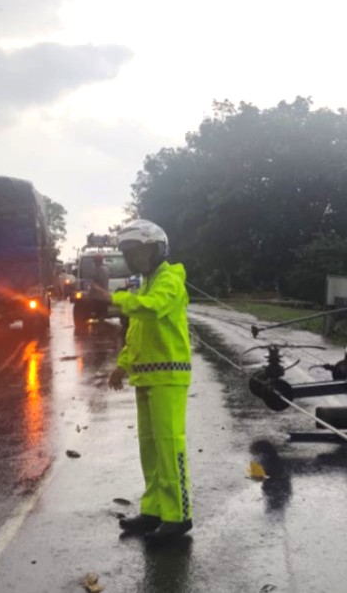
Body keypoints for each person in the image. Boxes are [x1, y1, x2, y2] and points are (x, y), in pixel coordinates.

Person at [95, 219, 194, 541]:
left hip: (169, 377)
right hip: (146, 377)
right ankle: (154, 511)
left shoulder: (170, 278)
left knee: (169, 447)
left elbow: (152, 310)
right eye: (130, 255)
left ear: (156, 250)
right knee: (149, 450)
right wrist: (123, 364)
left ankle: (178, 516)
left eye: (139, 253)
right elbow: (137, 331)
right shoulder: (146, 283)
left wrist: (117, 299)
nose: (135, 260)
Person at [89, 253, 112, 318]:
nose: (94, 262)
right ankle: (102, 325)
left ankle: (100, 326)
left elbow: (95, 284)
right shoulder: (106, 269)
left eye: (95, 260)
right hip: (104, 296)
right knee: (102, 314)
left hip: (98, 297)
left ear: (97, 261)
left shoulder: (99, 270)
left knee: (99, 314)